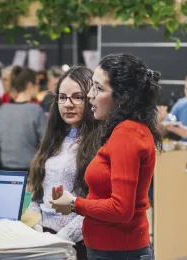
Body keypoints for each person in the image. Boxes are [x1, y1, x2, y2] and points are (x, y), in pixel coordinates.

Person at [50, 53, 162, 260]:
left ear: (123, 97)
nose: (90, 95)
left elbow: (121, 209)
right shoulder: (126, 130)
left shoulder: (127, 134)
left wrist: (75, 204)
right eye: (92, 86)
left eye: (99, 89)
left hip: (119, 251)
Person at [26, 66, 102, 260]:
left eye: (77, 97)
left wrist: (61, 239)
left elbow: (96, 206)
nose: (67, 104)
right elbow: (38, 196)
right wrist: (37, 228)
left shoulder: (100, 143)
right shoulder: (53, 140)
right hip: (45, 239)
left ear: (90, 99)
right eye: (62, 97)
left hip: (79, 243)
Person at [0, 67, 47, 172]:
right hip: (31, 172)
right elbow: (46, 143)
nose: (39, 88)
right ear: (30, 85)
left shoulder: (1, 110)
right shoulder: (36, 111)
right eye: (37, 84)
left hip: (5, 170)